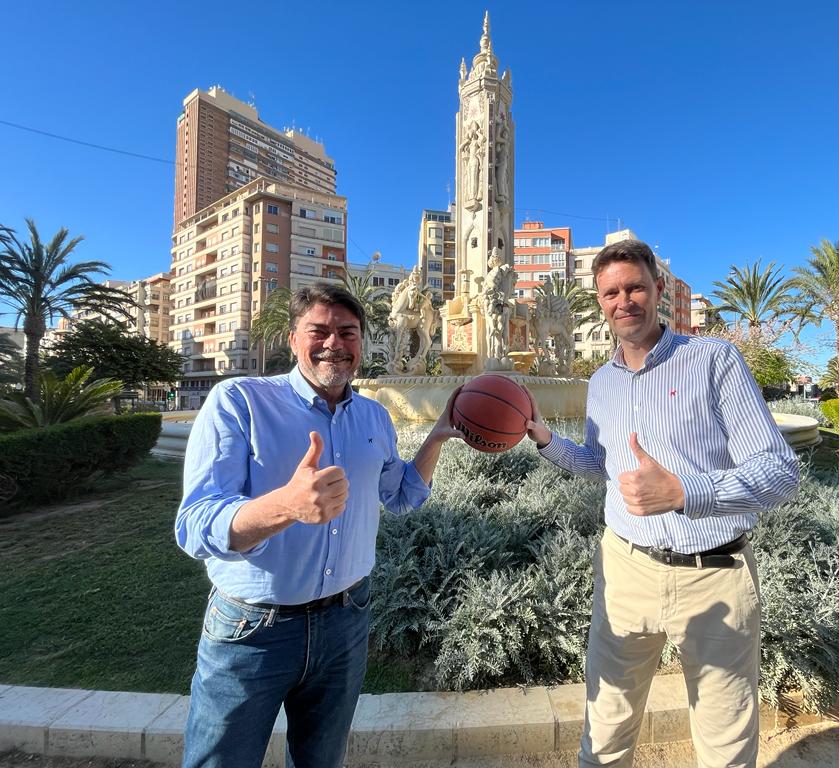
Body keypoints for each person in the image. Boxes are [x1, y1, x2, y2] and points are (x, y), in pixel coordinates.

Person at [525, 240, 798, 768]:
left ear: (658, 292)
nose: (623, 300)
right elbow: (602, 467)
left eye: (634, 288)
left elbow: (781, 472)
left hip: (713, 573)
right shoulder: (601, 382)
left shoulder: (713, 360)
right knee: (605, 730)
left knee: (725, 741)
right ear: (600, 302)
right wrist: (545, 440)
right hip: (626, 571)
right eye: (611, 293)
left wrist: (684, 492)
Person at [175, 282, 461, 768]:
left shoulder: (374, 416)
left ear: (362, 342)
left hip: (346, 620)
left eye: (348, 332)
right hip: (252, 628)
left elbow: (401, 497)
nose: (335, 343)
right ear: (292, 340)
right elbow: (195, 526)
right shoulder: (239, 401)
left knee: (321, 761)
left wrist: (435, 438)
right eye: (319, 330)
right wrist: (284, 506)